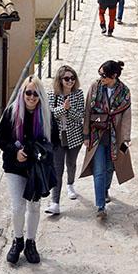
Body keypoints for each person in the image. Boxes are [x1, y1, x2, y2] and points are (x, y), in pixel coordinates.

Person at [0, 76, 57, 264]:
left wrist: (40, 151)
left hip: (36, 168)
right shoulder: (12, 112)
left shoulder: (47, 115)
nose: (31, 97)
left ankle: (31, 243)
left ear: (40, 96)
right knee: (17, 207)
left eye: (35, 93)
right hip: (15, 166)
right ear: (22, 93)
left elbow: (54, 142)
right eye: (28, 92)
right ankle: (17, 240)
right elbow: (1, 138)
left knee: (34, 205)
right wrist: (15, 152)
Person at [80, 60, 134, 218]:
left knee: (110, 167)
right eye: (100, 74)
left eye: (104, 75)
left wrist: (125, 138)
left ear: (114, 76)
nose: (101, 78)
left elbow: (126, 117)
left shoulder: (124, 92)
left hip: (114, 137)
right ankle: (100, 207)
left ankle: (105, 191)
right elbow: (88, 111)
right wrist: (86, 135)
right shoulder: (95, 87)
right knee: (99, 170)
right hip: (97, 135)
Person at [45, 65, 85, 215]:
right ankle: (55, 202)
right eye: (67, 78)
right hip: (57, 138)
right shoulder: (52, 95)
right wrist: (63, 108)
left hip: (74, 137)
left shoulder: (78, 94)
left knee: (71, 164)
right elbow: (50, 114)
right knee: (57, 169)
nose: (70, 81)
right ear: (60, 80)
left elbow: (80, 116)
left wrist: (68, 110)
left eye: (72, 78)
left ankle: (70, 184)